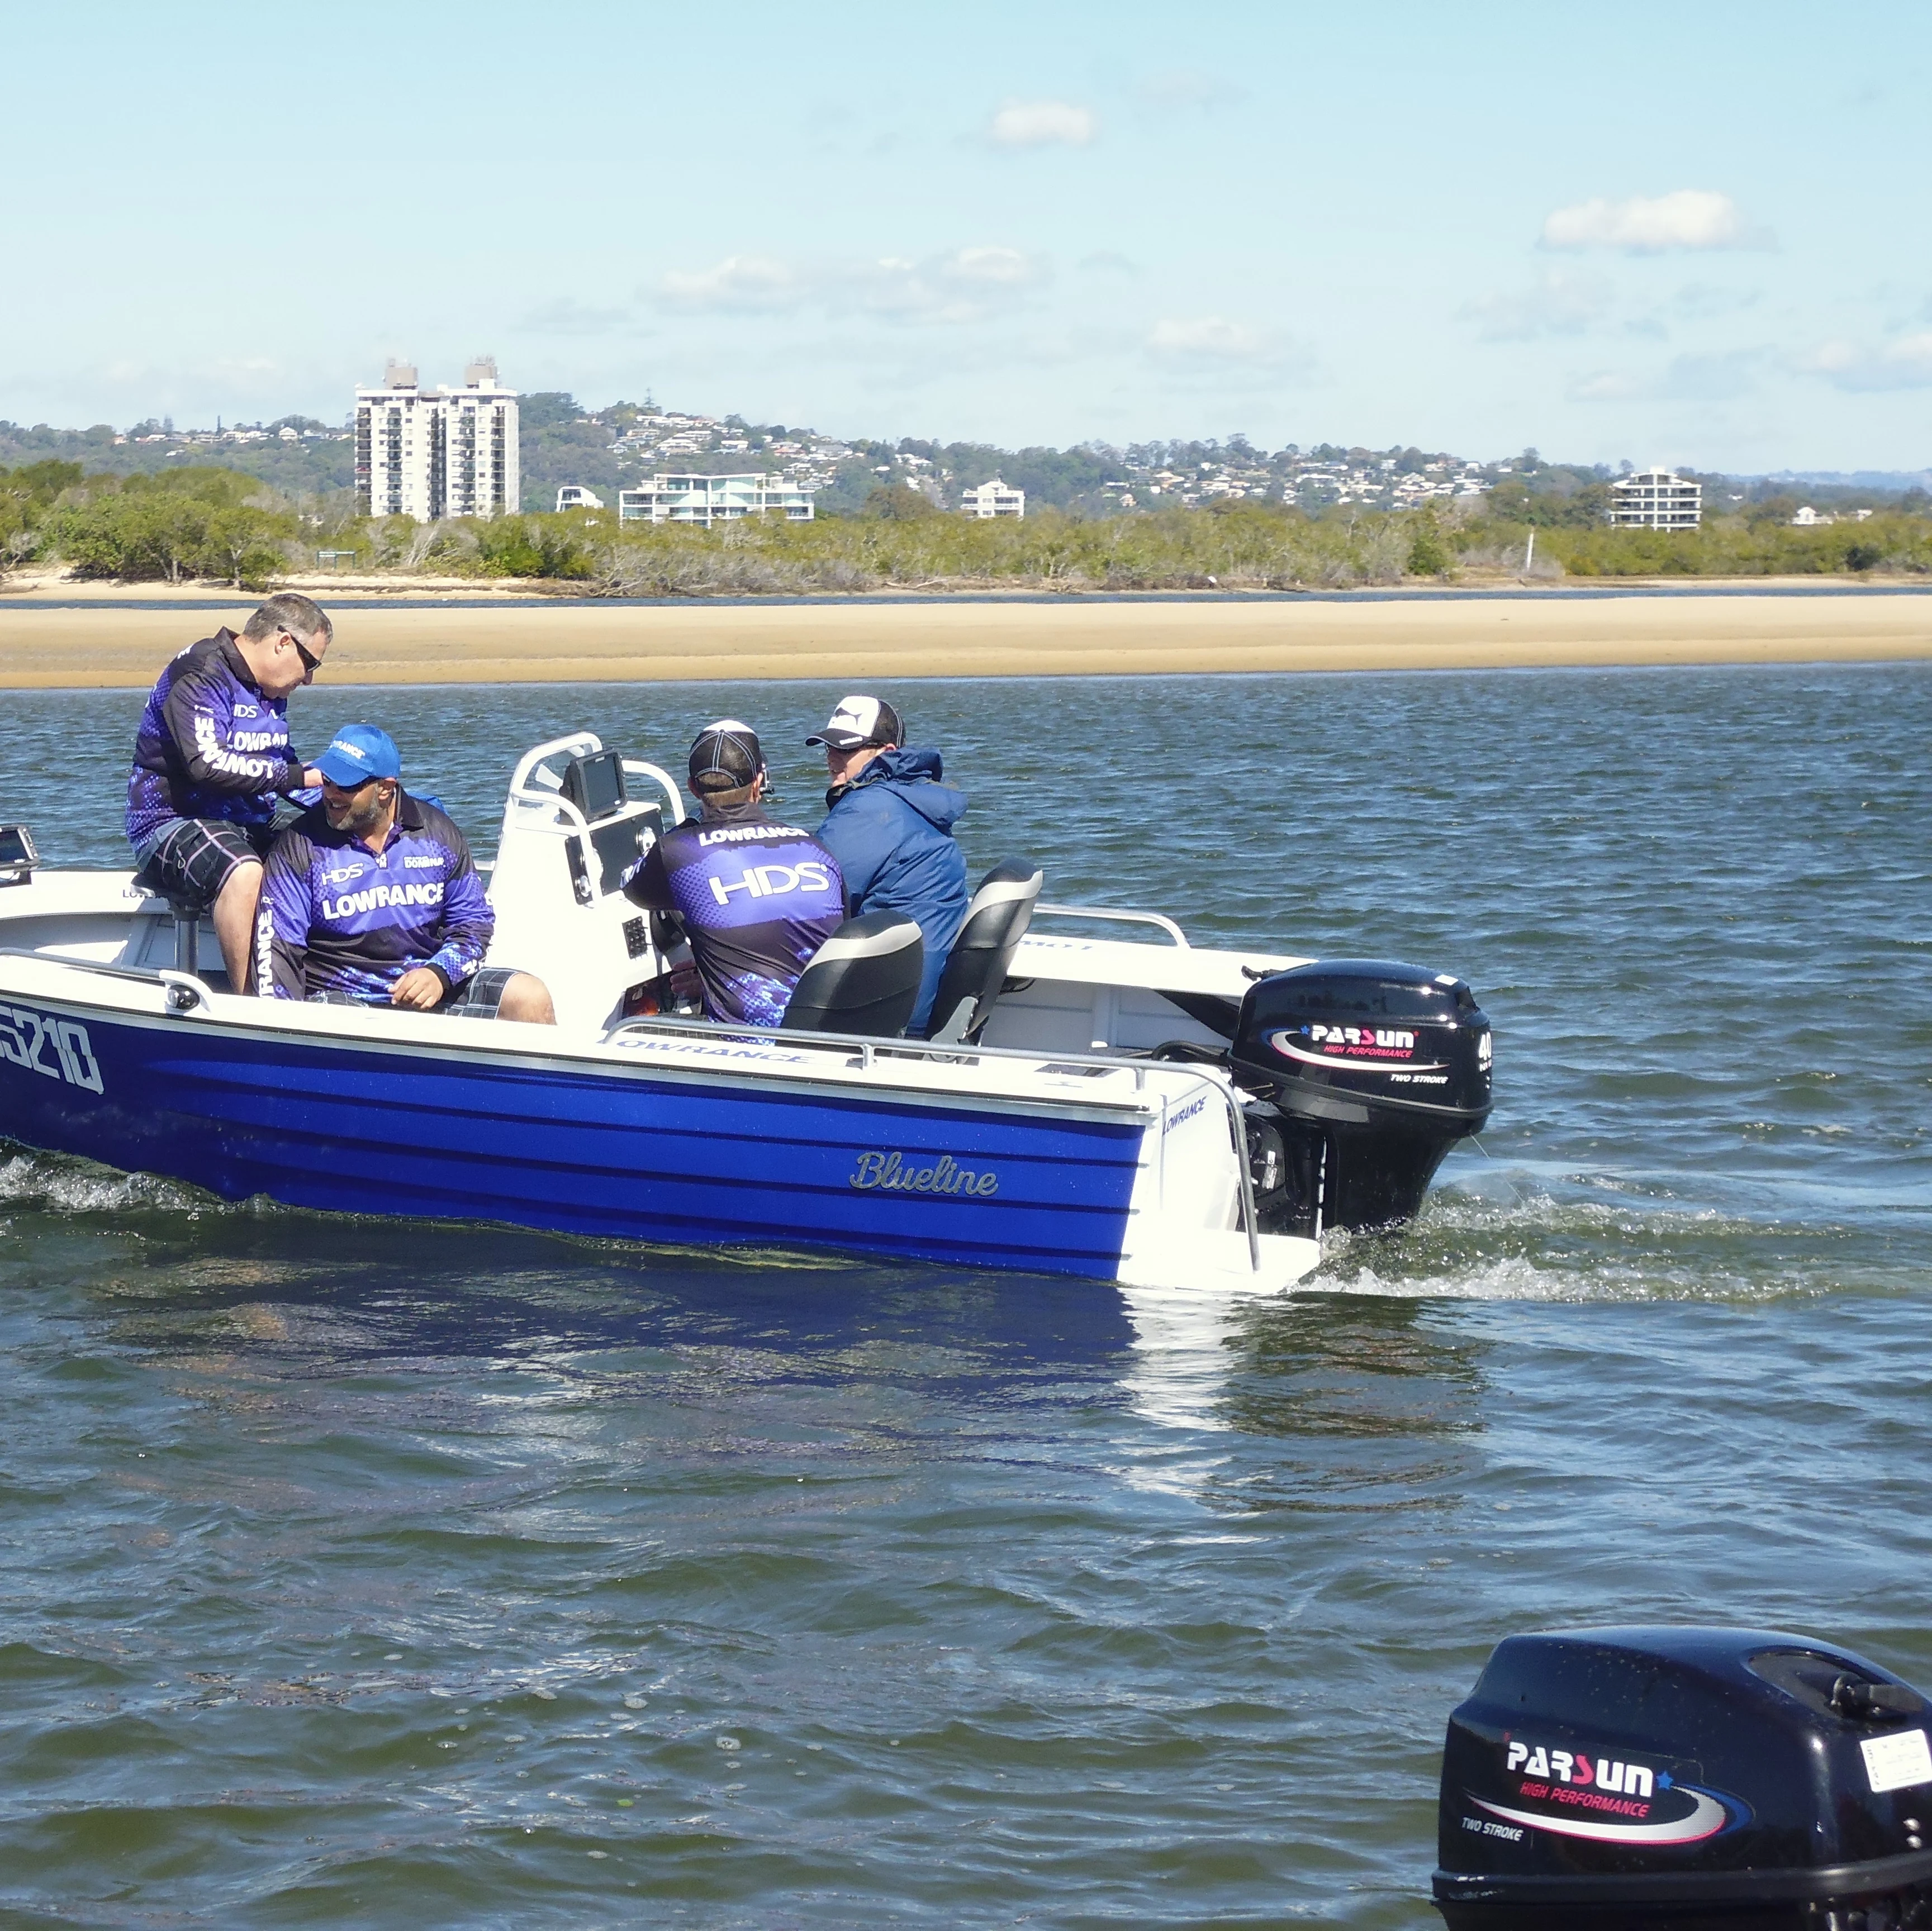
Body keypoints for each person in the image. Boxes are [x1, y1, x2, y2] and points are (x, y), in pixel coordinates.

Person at [255, 722, 554, 1023]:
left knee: (530, 997)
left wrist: (440, 974)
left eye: (346, 786)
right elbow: (278, 950)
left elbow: (474, 923)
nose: (331, 794)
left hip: (428, 986)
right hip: (341, 997)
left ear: (385, 789)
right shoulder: (299, 847)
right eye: (327, 780)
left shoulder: (438, 834)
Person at [125, 593, 333, 990]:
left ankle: (325, 985)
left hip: (249, 818)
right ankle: (246, 1006)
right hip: (170, 823)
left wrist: (341, 799)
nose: (309, 679)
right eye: (310, 664)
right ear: (283, 641)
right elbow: (207, 764)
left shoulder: (269, 692)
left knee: (334, 853)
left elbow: (281, 768)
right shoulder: (202, 670)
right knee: (244, 871)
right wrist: (299, 778)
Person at [621, 719, 844, 1026]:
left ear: (693, 788)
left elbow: (631, 886)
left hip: (744, 1053)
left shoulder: (679, 852)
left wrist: (689, 827)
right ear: (759, 782)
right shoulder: (815, 849)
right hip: (828, 1035)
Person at [807, 695, 967, 1035]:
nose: (833, 760)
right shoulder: (915, 801)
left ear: (887, 752)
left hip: (889, 1016)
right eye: (829, 749)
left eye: (846, 750)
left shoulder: (867, 810)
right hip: (923, 1001)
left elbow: (809, 905)